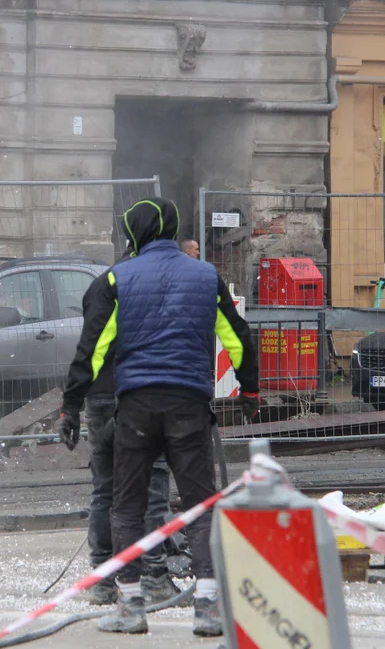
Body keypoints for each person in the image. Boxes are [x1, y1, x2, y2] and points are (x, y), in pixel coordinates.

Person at [56, 197, 259, 638]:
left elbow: (93, 350)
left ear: (134, 234)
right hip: (189, 404)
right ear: (171, 229)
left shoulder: (116, 278)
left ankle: (130, 607)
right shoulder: (206, 275)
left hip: (136, 408)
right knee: (199, 503)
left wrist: (71, 406)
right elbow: (237, 336)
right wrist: (250, 388)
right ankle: (207, 608)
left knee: (125, 504)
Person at [79, 242, 188, 607]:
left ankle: (103, 580)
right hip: (137, 395)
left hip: (99, 396)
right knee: (152, 487)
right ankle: (154, 578)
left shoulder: (99, 284)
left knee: (105, 489)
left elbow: (89, 344)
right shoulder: (151, 287)